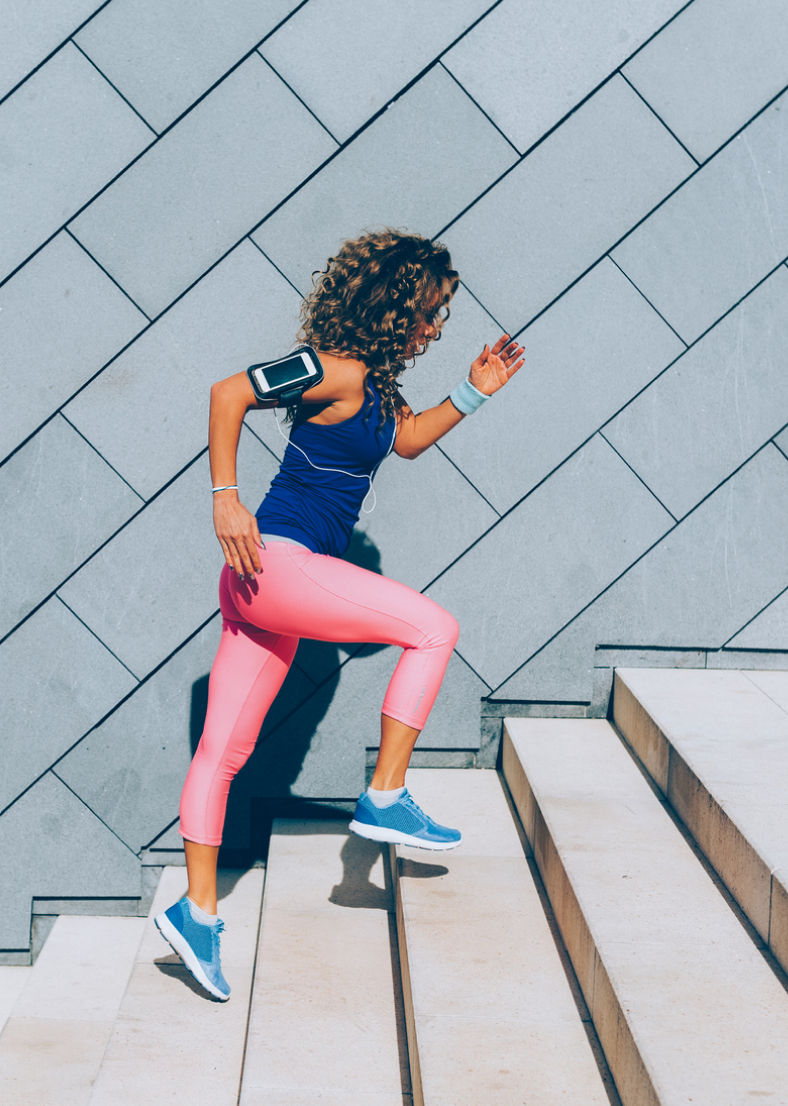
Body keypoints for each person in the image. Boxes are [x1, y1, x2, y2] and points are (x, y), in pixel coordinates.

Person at [155, 229, 524, 1000]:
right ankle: (385, 795)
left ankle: (196, 914)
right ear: (394, 307)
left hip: (265, 588)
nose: (436, 328)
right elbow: (230, 393)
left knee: (222, 751)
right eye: (429, 314)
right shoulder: (332, 367)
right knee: (433, 627)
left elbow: (411, 440)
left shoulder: (379, 389)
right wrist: (225, 500)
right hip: (278, 566)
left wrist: (474, 390)